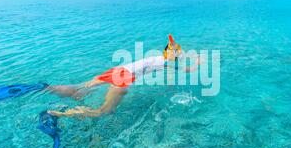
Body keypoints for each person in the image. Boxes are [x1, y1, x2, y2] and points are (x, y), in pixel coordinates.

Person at [48, 35, 200, 118]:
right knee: (104, 111)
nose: (180, 55)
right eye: (179, 53)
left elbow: (171, 51)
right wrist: (198, 61)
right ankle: (62, 114)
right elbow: (189, 69)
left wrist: (172, 45)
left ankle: (48, 89)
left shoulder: (158, 58)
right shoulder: (166, 61)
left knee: (80, 87)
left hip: (116, 70)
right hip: (123, 77)